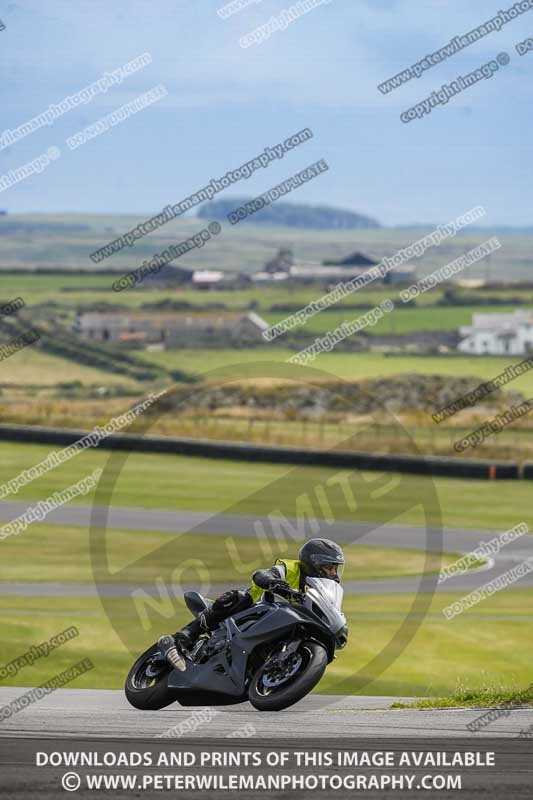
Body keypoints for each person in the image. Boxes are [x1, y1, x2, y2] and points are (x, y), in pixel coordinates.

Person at [158, 538, 345, 670]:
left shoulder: (322, 590)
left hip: (281, 625)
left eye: (335, 569)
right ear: (314, 564)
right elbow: (261, 574)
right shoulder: (291, 568)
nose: (334, 574)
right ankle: (181, 637)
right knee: (236, 597)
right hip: (254, 609)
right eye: (330, 568)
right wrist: (272, 582)